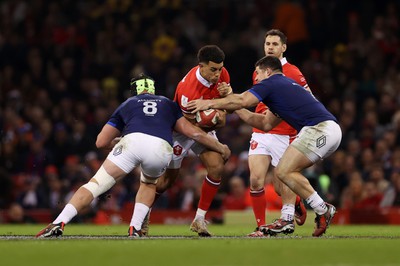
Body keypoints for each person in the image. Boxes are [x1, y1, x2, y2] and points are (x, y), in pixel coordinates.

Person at [35, 74, 230, 238]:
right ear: (153, 89)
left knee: (95, 185)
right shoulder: (168, 104)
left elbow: (100, 142)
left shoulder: (128, 104)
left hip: (132, 142)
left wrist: (117, 142)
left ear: (133, 91)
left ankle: (59, 222)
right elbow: (193, 133)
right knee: (148, 184)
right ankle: (135, 228)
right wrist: (220, 147)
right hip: (161, 148)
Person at [187, 56, 342, 237]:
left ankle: (321, 209)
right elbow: (264, 123)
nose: (256, 78)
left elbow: (244, 99)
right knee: (286, 172)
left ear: (267, 71)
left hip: (320, 129)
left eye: (258, 74)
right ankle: (295, 216)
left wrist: (208, 103)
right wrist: (234, 105)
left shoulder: (272, 82)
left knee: (283, 171)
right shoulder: (282, 90)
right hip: (327, 130)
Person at [140, 45, 232, 237]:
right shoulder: (187, 90)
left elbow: (224, 113)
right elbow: (191, 129)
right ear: (201, 66)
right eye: (213, 70)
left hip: (203, 127)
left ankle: (199, 219)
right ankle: (142, 214)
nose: (218, 74)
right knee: (166, 182)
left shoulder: (223, 75)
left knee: (216, 167)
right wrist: (219, 144)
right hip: (181, 130)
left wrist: (227, 97)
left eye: (220, 68)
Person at [246, 29, 308, 237]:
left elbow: (308, 98)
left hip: (285, 133)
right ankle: (261, 227)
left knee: (282, 185)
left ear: (283, 47)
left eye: (274, 44)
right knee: (256, 180)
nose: (270, 47)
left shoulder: (293, 71)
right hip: (261, 132)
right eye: (267, 44)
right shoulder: (258, 71)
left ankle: (294, 205)